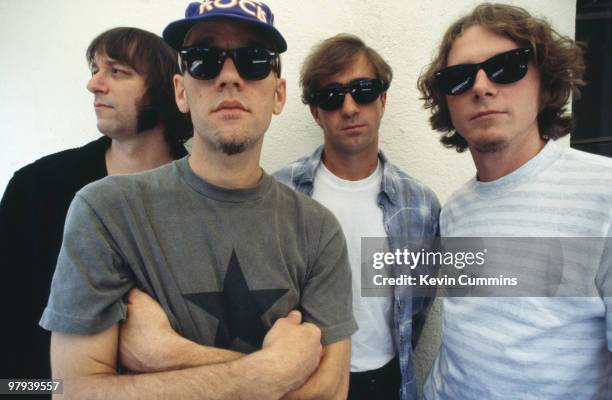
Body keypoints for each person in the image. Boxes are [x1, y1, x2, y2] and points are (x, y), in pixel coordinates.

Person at [39, 2, 357, 399]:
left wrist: (168, 353)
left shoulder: (318, 229)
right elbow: (72, 391)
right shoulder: (105, 212)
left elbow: (330, 391)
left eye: (254, 60)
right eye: (204, 60)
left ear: (278, 94)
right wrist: (272, 370)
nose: (228, 76)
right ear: (180, 92)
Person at [417, 3, 612, 399]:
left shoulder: (604, 195)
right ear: (447, 101)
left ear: (546, 82)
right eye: (458, 77)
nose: (482, 86)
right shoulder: (454, 210)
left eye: (507, 67)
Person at [0, 27, 191, 381]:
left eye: (117, 72)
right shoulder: (37, 187)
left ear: (170, 89)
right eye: (95, 71)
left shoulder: (205, 198)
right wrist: (29, 390)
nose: (94, 85)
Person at [274, 34, 440, 400]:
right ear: (316, 112)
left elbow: (418, 308)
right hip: (303, 380)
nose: (349, 107)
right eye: (332, 96)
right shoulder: (279, 192)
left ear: (382, 99)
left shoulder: (421, 204)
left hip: (386, 380)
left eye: (363, 90)